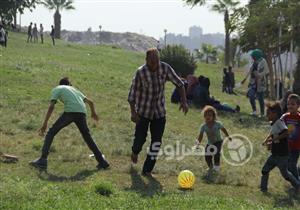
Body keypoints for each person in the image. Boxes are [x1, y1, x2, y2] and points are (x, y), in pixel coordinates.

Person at [128, 48, 188, 176]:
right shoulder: (141, 72)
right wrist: (133, 112)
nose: (155, 64)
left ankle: (147, 170)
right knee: (140, 138)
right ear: (146, 60)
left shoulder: (165, 68)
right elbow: (132, 94)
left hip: (159, 112)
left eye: (157, 60)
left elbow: (180, 84)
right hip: (143, 112)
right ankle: (135, 152)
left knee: (156, 142)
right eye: (152, 61)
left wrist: (184, 101)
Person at [29, 77, 109, 170]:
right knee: (87, 137)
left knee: (51, 133)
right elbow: (90, 102)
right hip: (82, 112)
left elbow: (51, 106)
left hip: (71, 112)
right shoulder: (75, 90)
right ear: (69, 84)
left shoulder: (57, 88)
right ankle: (102, 162)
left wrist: (45, 123)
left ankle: (42, 160)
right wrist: (93, 113)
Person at [261, 102, 300, 193]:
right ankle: (263, 189)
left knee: (285, 174)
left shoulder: (279, 122)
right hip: (274, 154)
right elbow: (272, 133)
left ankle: (298, 185)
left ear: (274, 114)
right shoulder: (274, 123)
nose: (267, 115)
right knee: (265, 170)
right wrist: (267, 140)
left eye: (268, 113)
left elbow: (286, 132)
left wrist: (275, 139)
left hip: (282, 155)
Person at [196, 106, 231, 172]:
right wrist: (198, 143)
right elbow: (201, 136)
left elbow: (223, 129)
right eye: (206, 115)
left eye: (209, 115)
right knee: (207, 156)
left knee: (216, 153)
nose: (207, 117)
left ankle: (217, 167)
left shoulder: (217, 124)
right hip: (210, 143)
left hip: (218, 141)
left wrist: (228, 136)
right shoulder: (203, 126)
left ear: (213, 116)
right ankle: (210, 167)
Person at [242, 49, 269, 117]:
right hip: (253, 83)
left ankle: (262, 113)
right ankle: (254, 111)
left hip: (260, 83)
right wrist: (245, 79)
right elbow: (250, 70)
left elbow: (263, 73)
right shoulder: (254, 62)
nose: (252, 58)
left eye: (253, 56)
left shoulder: (263, 62)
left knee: (260, 98)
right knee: (251, 95)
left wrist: (257, 74)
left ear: (256, 56)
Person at [281, 94, 300, 180]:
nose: (290, 106)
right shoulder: (285, 117)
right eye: (288, 104)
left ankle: (298, 183)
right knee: (288, 166)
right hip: (286, 146)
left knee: (292, 164)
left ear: (298, 106)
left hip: (296, 147)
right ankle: (295, 181)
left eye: (293, 104)